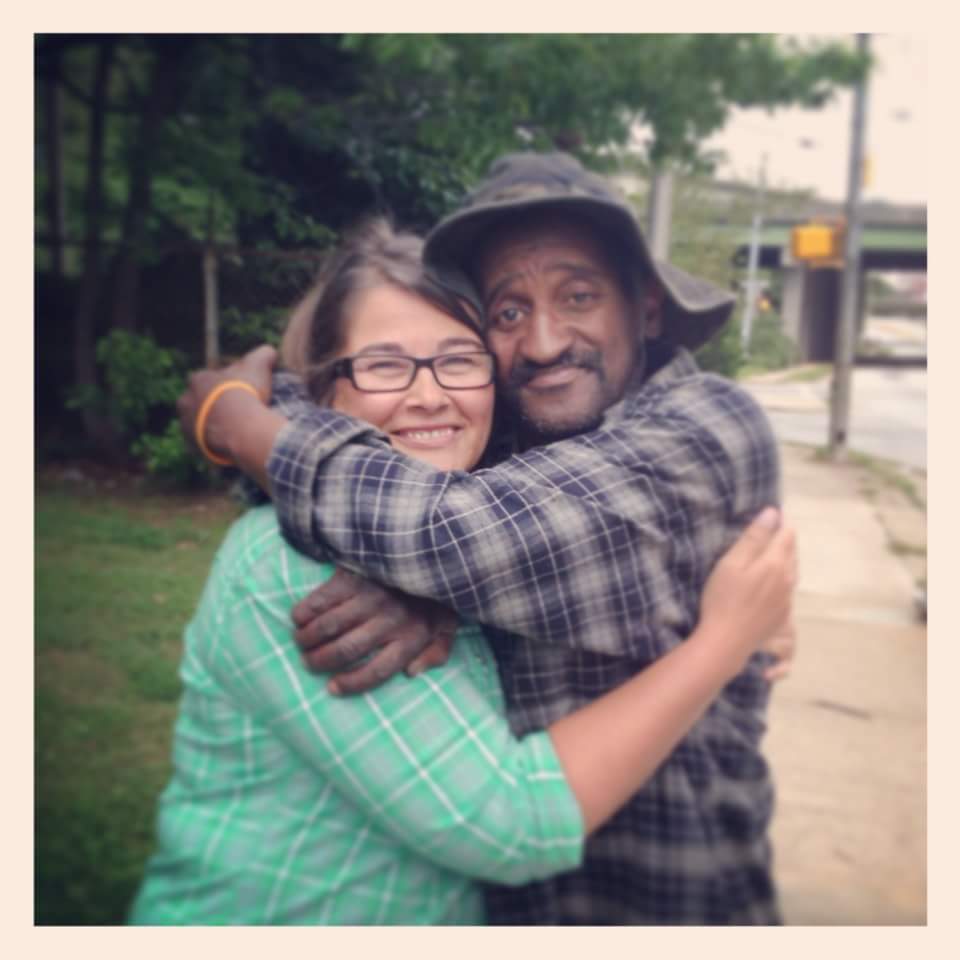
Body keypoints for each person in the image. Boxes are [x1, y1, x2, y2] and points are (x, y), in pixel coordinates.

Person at [177, 153, 789, 924]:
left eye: (578, 296)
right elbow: (375, 417)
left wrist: (234, 425)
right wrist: (429, 589)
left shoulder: (707, 425)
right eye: (505, 313)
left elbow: (452, 532)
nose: (540, 343)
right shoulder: (521, 437)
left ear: (649, 309)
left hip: (661, 904)